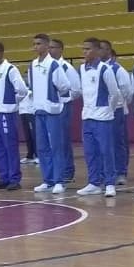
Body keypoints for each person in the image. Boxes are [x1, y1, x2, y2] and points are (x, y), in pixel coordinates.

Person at [76, 37, 123, 198]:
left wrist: (108, 109)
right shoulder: (82, 69)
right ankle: (94, 183)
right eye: (83, 49)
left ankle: (109, 183)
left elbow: (115, 93)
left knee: (106, 151)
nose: (84, 52)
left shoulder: (105, 69)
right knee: (90, 152)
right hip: (87, 117)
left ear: (97, 51)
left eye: (88, 49)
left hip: (103, 118)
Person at [29, 33, 71, 194]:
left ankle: (59, 180)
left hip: (52, 112)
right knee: (42, 147)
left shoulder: (54, 65)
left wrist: (53, 99)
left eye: (39, 43)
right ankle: (48, 180)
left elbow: (64, 86)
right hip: (38, 110)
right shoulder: (32, 65)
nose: (36, 47)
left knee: (56, 146)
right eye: (34, 44)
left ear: (47, 46)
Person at [0, 41, 29, 191]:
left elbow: (22, 90)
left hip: (7, 113)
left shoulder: (10, 69)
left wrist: (11, 102)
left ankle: (14, 178)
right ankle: (4, 177)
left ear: (1, 52)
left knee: (10, 146)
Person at [48, 38, 81, 183]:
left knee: (62, 140)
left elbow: (76, 90)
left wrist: (64, 99)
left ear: (61, 49)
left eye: (53, 47)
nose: (50, 50)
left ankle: (68, 170)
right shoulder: (47, 66)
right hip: (49, 107)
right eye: (49, 47)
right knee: (51, 141)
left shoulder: (67, 67)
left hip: (63, 107)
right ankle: (56, 170)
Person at [100, 40, 133, 185]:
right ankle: (106, 172)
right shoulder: (96, 68)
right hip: (100, 111)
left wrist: (120, 104)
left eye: (102, 49)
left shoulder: (117, 69)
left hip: (116, 110)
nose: (98, 51)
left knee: (118, 142)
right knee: (103, 143)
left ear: (109, 51)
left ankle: (121, 172)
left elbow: (128, 91)